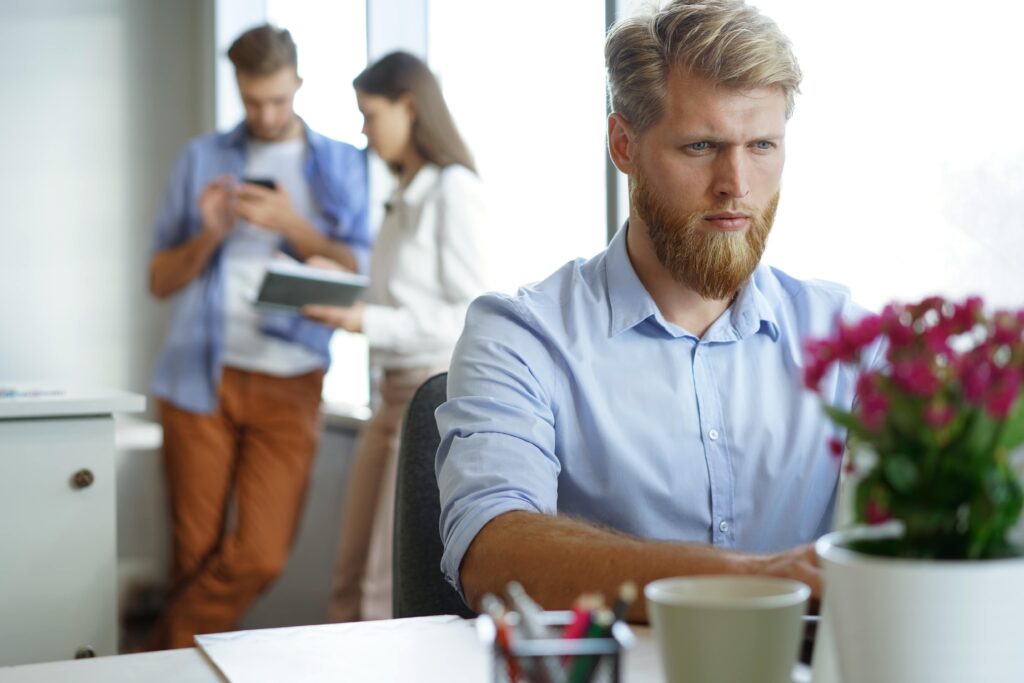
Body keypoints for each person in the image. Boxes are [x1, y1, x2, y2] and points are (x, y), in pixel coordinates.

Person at [436, 0, 881, 621]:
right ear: (624, 145)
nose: (737, 183)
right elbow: (494, 553)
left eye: (761, 145)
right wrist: (756, 580)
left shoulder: (850, 340)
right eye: (701, 145)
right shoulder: (521, 337)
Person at [146, 25, 370, 648]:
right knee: (193, 557)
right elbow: (160, 279)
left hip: (292, 378)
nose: (266, 115)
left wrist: (294, 226)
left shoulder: (341, 165)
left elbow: (362, 272)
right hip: (199, 378)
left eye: (277, 99)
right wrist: (211, 234)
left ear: (297, 82)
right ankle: (176, 666)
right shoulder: (202, 158)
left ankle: (151, 656)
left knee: (261, 555)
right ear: (238, 89)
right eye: (252, 102)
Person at [303, 52, 490, 621]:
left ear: (409, 107)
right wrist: (349, 295)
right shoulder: (403, 191)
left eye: (370, 114)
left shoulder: (452, 190)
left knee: (382, 583)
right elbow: (404, 297)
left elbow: (467, 312)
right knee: (350, 571)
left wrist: (366, 321)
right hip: (387, 394)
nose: (364, 131)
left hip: (424, 396)